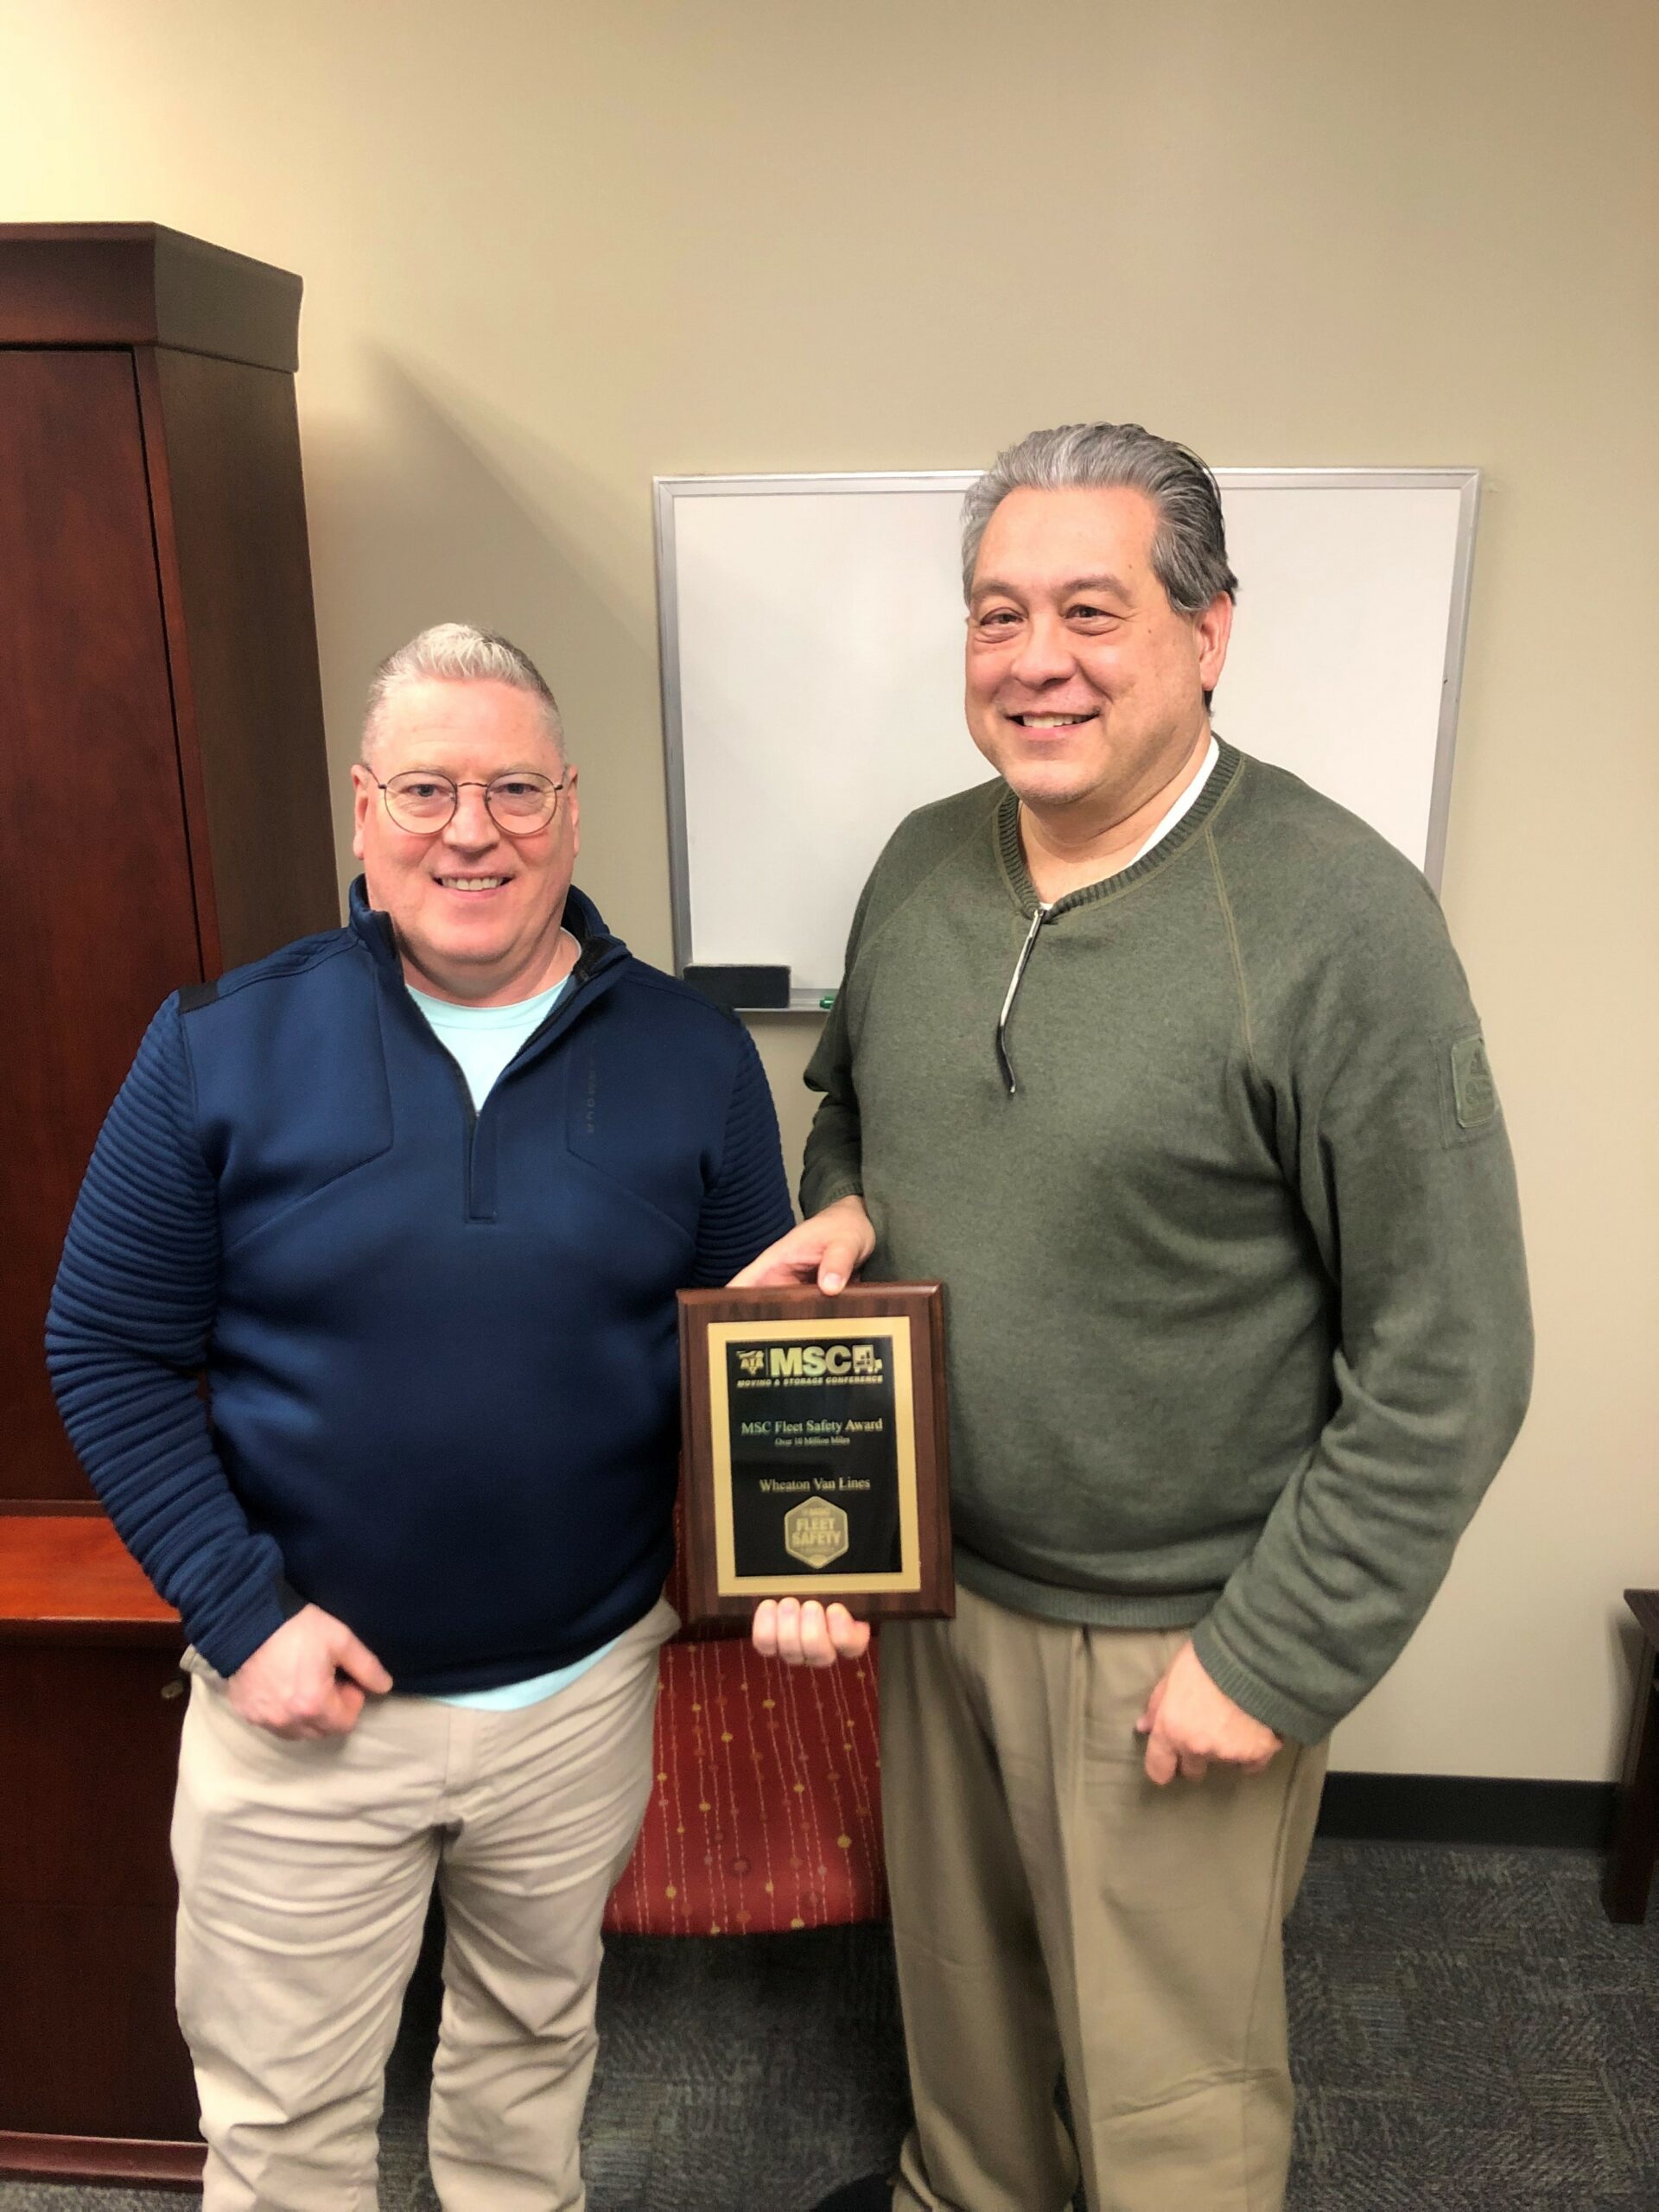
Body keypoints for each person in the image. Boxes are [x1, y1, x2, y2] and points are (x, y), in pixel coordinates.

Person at [737, 423, 1532, 2212]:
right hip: (943, 1589)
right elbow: (850, 1107)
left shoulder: (1341, 926)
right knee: (963, 2029)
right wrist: (842, 1199)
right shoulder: (922, 867)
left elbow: (1455, 1358)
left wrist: (1275, 1653)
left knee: (1165, 2095)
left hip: (1179, 1632)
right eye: (998, 612)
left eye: (1092, 609)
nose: (1038, 658)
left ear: (1209, 630)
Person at [47, 624, 792, 2212]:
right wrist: (243, 1619)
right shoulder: (216, 1047)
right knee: (287, 2131)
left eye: (515, 788)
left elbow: (761, 1367)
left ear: (573, 809)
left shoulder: (694, 1059)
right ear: (364, 814)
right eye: (431, 790)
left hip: (582, 1691)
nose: (475, 831)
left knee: (530, 2075)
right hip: (300, 1707)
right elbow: (104, 1348)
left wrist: (814, 1553)